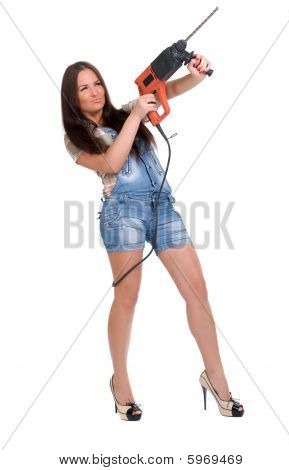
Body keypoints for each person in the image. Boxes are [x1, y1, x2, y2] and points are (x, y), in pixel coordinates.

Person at [61, 58, 244, 421]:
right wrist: (134, 117)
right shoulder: (75, 139)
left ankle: (216, 376)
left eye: (97, 82)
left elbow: (168, 91)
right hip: (122, 212)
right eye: (84, 88)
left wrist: (194, 76)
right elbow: (112, 164)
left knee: (197, 292)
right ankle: (122, 382)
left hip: (162, 205)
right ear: (72, 98)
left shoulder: (124, 111)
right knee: (127, 297)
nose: (95, 91)